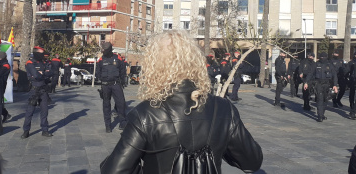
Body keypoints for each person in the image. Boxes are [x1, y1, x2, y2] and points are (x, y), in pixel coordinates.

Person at [100, 31, 262, 173]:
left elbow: (114, 170)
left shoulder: (145, 113)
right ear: (194, 62)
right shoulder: (224, 109)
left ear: (154, 66)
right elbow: (252, 161)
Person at [22, 46, 53, 138]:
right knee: (30, 111)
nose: (43, 55)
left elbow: (50, 73)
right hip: (34, 90)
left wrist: (42, 74)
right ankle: (26, 130)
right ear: (36, 53)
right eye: (41, 53)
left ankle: (45, 130)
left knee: (44, 111)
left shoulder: (44, 62)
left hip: (43, 89)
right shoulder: (30, 63)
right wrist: (43, 74)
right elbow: (36, 75)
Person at [96, 42, 127, 133]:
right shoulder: (101, 60)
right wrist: (101, 80)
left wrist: (123, 82)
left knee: (121, 103)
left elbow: (122, 70)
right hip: (105, 86)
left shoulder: (117, 58)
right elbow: (98, 72)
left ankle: (123, 122)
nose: (103, 51)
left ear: (109, 50)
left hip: (116, 84)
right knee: (106, 105)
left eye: (105, 50)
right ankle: (108, 126)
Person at [304, 52, 338, 122]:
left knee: (325, 99)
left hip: (327, 84)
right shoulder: (316, 64)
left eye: (324, 57)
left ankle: (322, 114)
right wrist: (306, 82)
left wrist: (335, 85)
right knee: (320, 99)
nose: (322, 58)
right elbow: (310, 74)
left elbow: (334, 75)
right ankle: (319, 116)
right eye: (321, 57)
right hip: (318, 84)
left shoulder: (329, 65)